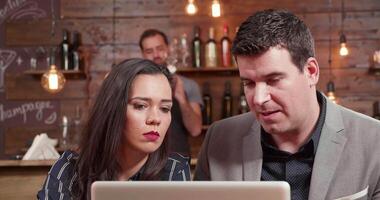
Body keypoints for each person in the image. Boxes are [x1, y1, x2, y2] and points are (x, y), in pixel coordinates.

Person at [194, 9, 380, 200]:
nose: (259, 99)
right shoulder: (218, 138)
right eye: (248, 83)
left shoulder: (374, 141)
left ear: (311, 71)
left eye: (273, 80)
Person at [37, 58, 191, 200]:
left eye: (165, 108)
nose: (155, 119)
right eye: (140, 106)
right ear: (112, 109)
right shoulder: (70, 169)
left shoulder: (173, 171)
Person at [139, 29, 203, 157]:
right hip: (143, 160)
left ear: (168, 49)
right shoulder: (137, 86)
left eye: (160, 48)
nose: (156, 55)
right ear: (142, 54)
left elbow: (195, 130)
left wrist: (181, 97)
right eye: (149, 51)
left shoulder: (188, 85)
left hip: (177, 160)